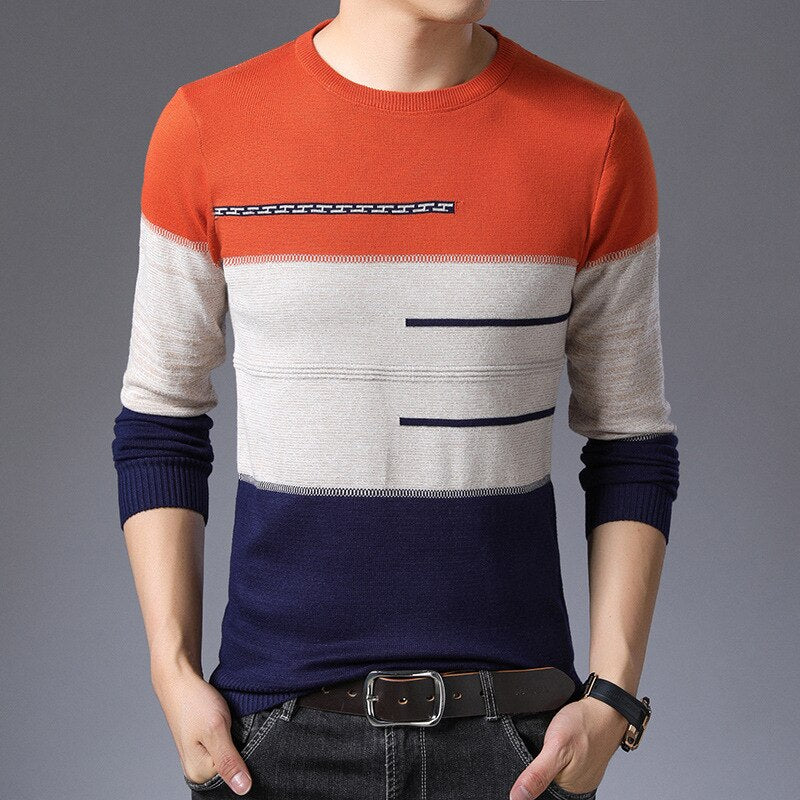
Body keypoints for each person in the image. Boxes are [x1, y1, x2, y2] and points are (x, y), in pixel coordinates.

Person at [111, 3, 680, 799]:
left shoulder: (593, 137)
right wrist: (171, 673)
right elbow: (161, 419)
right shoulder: (209, 127)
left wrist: (613, 695)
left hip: (515, 743)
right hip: (272, 741)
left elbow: (631, 440)